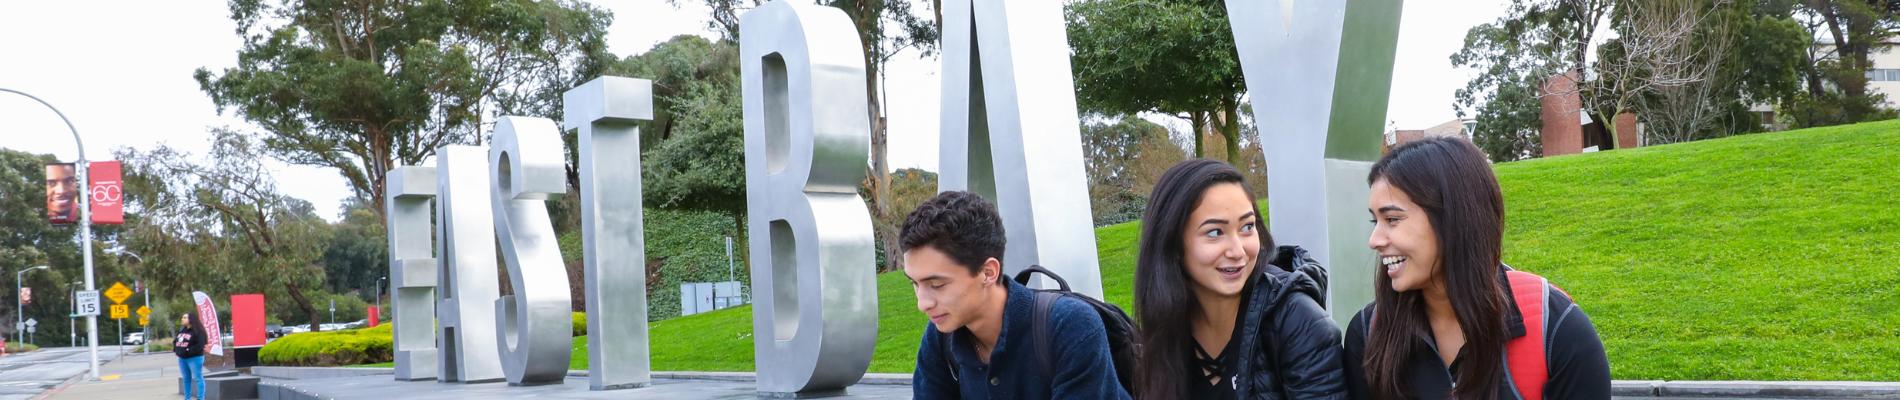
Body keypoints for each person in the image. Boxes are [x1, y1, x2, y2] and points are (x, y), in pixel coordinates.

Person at [1344, 137, 1611, 399]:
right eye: (1374, 221)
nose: (1375, 240)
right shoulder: (1368, 333)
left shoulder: (1556, 329)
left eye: (1392, 219)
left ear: (1453, 218)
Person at [1132, 159, 1347, 399]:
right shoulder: (1165, 325)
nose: (1238, 251)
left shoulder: (1298, 322)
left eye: (1247, 227)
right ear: (1173, 244)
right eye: (1215, 232)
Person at [906, 191, 1130, 399]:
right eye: (915, 284)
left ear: (988, 272)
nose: (922, 303)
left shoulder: (1070, 326)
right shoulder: (941, 338)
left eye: (937, 284)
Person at [175, 312, 207, 400]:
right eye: (182, 317)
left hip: (195, 358)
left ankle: (201, 398)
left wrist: (187, 351)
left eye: (185, 317)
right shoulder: (182, 330)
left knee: (198, 378)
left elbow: (200, 345)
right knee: (186, 379)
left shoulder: (199, 331)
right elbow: (176, 341)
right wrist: (176, 350)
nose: (182, 319)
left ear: (191, 319)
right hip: (182, 359)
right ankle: (187, 398)